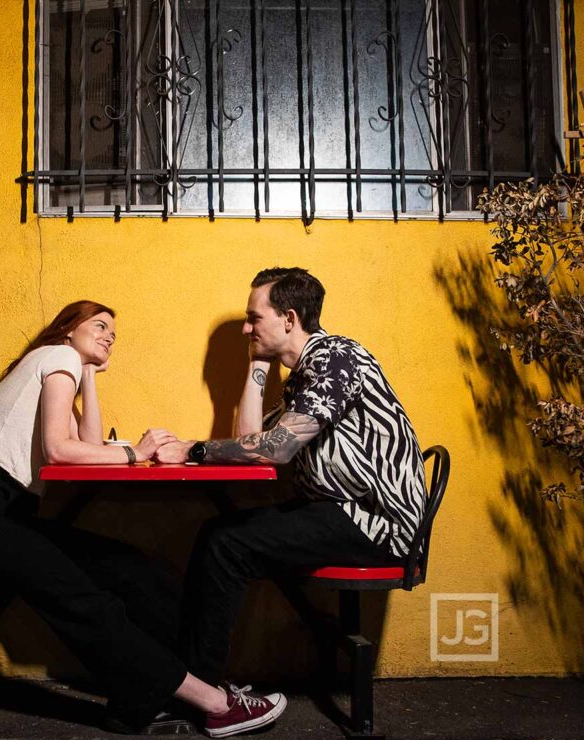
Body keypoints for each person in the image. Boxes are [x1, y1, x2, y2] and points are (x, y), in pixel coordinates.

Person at [0, 300, 286, 737]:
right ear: (68, 329)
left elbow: (82, 443)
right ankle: (215, 703)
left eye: (113, 334)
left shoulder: (62, 365)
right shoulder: (57, 357)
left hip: (8, 515)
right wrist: (135, 452)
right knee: (87, 601)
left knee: (129, 567)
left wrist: (89, 373)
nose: (109, 336)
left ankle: (146, 700)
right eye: (100, 326)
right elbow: (59, 452)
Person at [155, 269, 427, 687]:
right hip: (342, 513)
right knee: (218, 533)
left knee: (225, 542)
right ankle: (191, 682)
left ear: (289, 318)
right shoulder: (305, 376)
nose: (247, 327)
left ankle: (198, 687)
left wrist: (195, 449)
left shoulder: (337, 358)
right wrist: (257, 364)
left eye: (254, 318)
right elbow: (251, 443)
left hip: (377, 523)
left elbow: (276, 449)